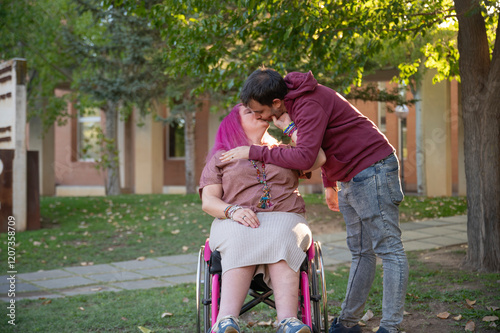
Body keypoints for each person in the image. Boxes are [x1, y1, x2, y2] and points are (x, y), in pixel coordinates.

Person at [221, 68, 409, 333]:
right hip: (349, 175)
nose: (259, 117)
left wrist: (255, 151)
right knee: (361, 252)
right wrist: (330, 182)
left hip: (372, 168)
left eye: (259, 111)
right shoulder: (293, 104)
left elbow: (305, 156)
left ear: (276, 102)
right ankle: (347, 323)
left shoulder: (308, 104)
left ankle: (390, 326)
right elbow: (323, 144)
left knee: (388, 249)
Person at [199, 103, 326, 333]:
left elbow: (318, 158)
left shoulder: (285, 151)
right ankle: (225, 320)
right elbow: (209, 201)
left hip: (285, 220)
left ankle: (288, 321)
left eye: (260, 110)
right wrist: (233, 211)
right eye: (250, 112)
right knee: (239, 232)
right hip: (235, 221)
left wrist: (288, 126)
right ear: (235, 124)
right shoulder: (222, 156)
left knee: (283, 231)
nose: (259, 113)